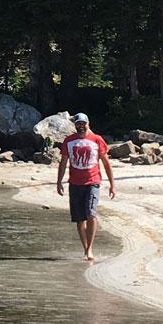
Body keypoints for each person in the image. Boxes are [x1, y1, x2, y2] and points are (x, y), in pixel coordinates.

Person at [54, 111, 115, 262]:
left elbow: (106, 163)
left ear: (88, 124)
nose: (81, 126)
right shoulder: (68, 141)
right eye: (78, 124)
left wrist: (112, 184)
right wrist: (59, 181)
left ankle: (90, 249)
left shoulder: (97, 140)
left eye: (83, 124)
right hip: (74, 183)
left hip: (92, 182)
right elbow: (63, 163)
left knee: (91, 214)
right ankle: (85, 247)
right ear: (75, 125)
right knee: (80, 219)